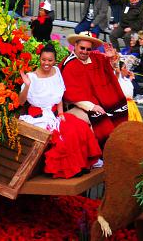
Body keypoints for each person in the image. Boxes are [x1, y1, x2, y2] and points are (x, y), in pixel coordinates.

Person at [19, 43, 102, 178]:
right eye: (43, 60)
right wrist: (27, 86)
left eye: (50, 60)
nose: (46, 63)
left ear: (54, 61)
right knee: (65, 134)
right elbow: (21, 101)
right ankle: (67, 170)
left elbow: (59, 96)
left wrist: (61, 113)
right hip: (38, 117)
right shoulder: (31, 76)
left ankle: (81, 165)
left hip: (55, 114)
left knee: (80, 127)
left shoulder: (56, 71)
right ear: (39, 59)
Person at [60, 32, 128, 147]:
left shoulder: (95, 57)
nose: (85, 52)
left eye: (88, 49)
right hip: (78, 105)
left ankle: (118, 147)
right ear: (75, 46)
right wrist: (91, 107)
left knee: (118, 110)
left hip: (99, 99)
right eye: (82, 48)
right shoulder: (69, 64)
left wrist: (111, 59)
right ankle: (103, 153)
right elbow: (71, 93)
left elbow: (111, 69)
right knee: (100, 118)